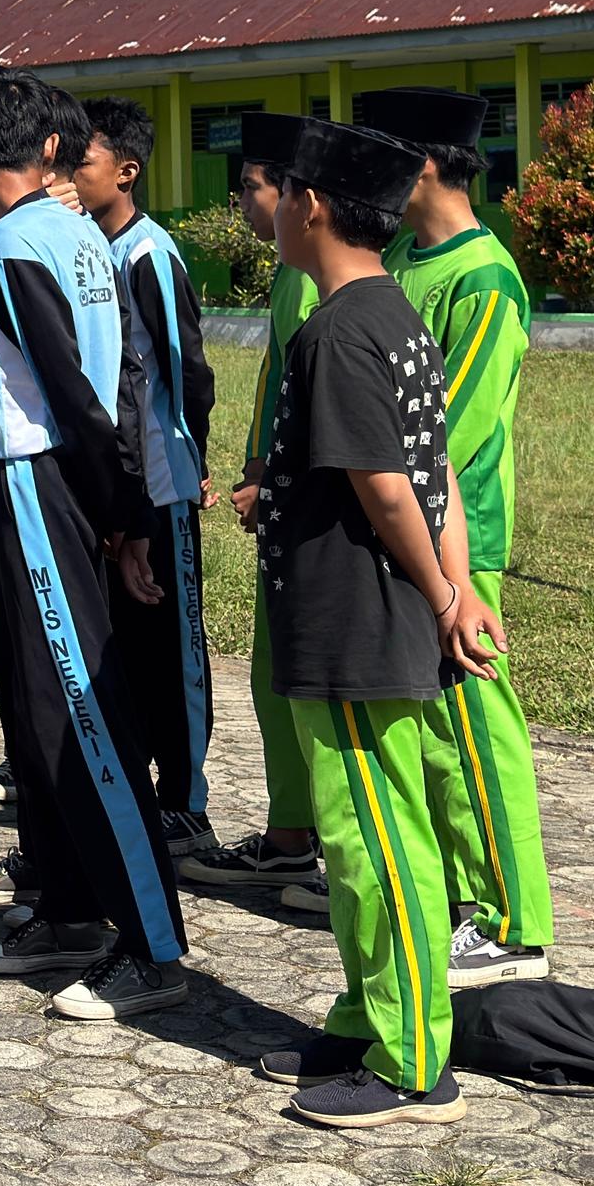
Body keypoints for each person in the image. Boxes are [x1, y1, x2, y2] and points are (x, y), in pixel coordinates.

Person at [253, 116, 504, 1130]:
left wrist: (443, 596)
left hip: (355, 620)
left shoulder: (340, 330)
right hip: (370, 615)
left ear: (311, 206)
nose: (271, 211)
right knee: (366, 830)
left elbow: (391, 487)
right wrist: (459, 587)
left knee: (375, 842)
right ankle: (366, 1020)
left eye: (279, 194)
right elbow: (439, 472)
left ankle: (410, 1062)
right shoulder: (392, 313)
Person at [0, 74, 188, 1019]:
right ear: (51, 148)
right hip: (64, 482)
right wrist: (124, 503)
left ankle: (153, 945)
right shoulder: (81, 232)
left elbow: (71, 392)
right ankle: (69, 909)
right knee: (37, 715)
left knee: (81, 715)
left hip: (44, 483)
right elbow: (120, 378)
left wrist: (122, 512)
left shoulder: (13, 244)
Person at [357, 87, 556, 992]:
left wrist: (449, 566)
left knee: (476, 723)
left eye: (383, 152)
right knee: (435, 728)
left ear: (428, 163)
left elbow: (448, 431)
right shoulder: (400, 256)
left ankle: (516, 921)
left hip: (456, 538)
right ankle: (462, 899)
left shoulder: (485, 280)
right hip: (403, 527)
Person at [180, 111, 325, 903]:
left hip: (304, 501)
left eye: (250, 188)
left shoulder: (311, 274)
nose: (241, 204)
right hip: (279, 490)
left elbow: (307, 395)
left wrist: (272, 477)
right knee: (273, 675)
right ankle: (288, 834)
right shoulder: (289, 270)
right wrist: (254, 467)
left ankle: (307, 837)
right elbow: (275, 382)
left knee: (296, 677)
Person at [77, 99, 217, 845]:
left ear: (126, 171)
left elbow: (186, 368)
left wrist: (194, 459)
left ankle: (186, 800)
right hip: (113, 486)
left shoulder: (149, 255)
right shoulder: (84, 250)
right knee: (124, 646)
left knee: (175, 646)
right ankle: (135, 785)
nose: (69, 176)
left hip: (161, 483)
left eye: (83, 162)